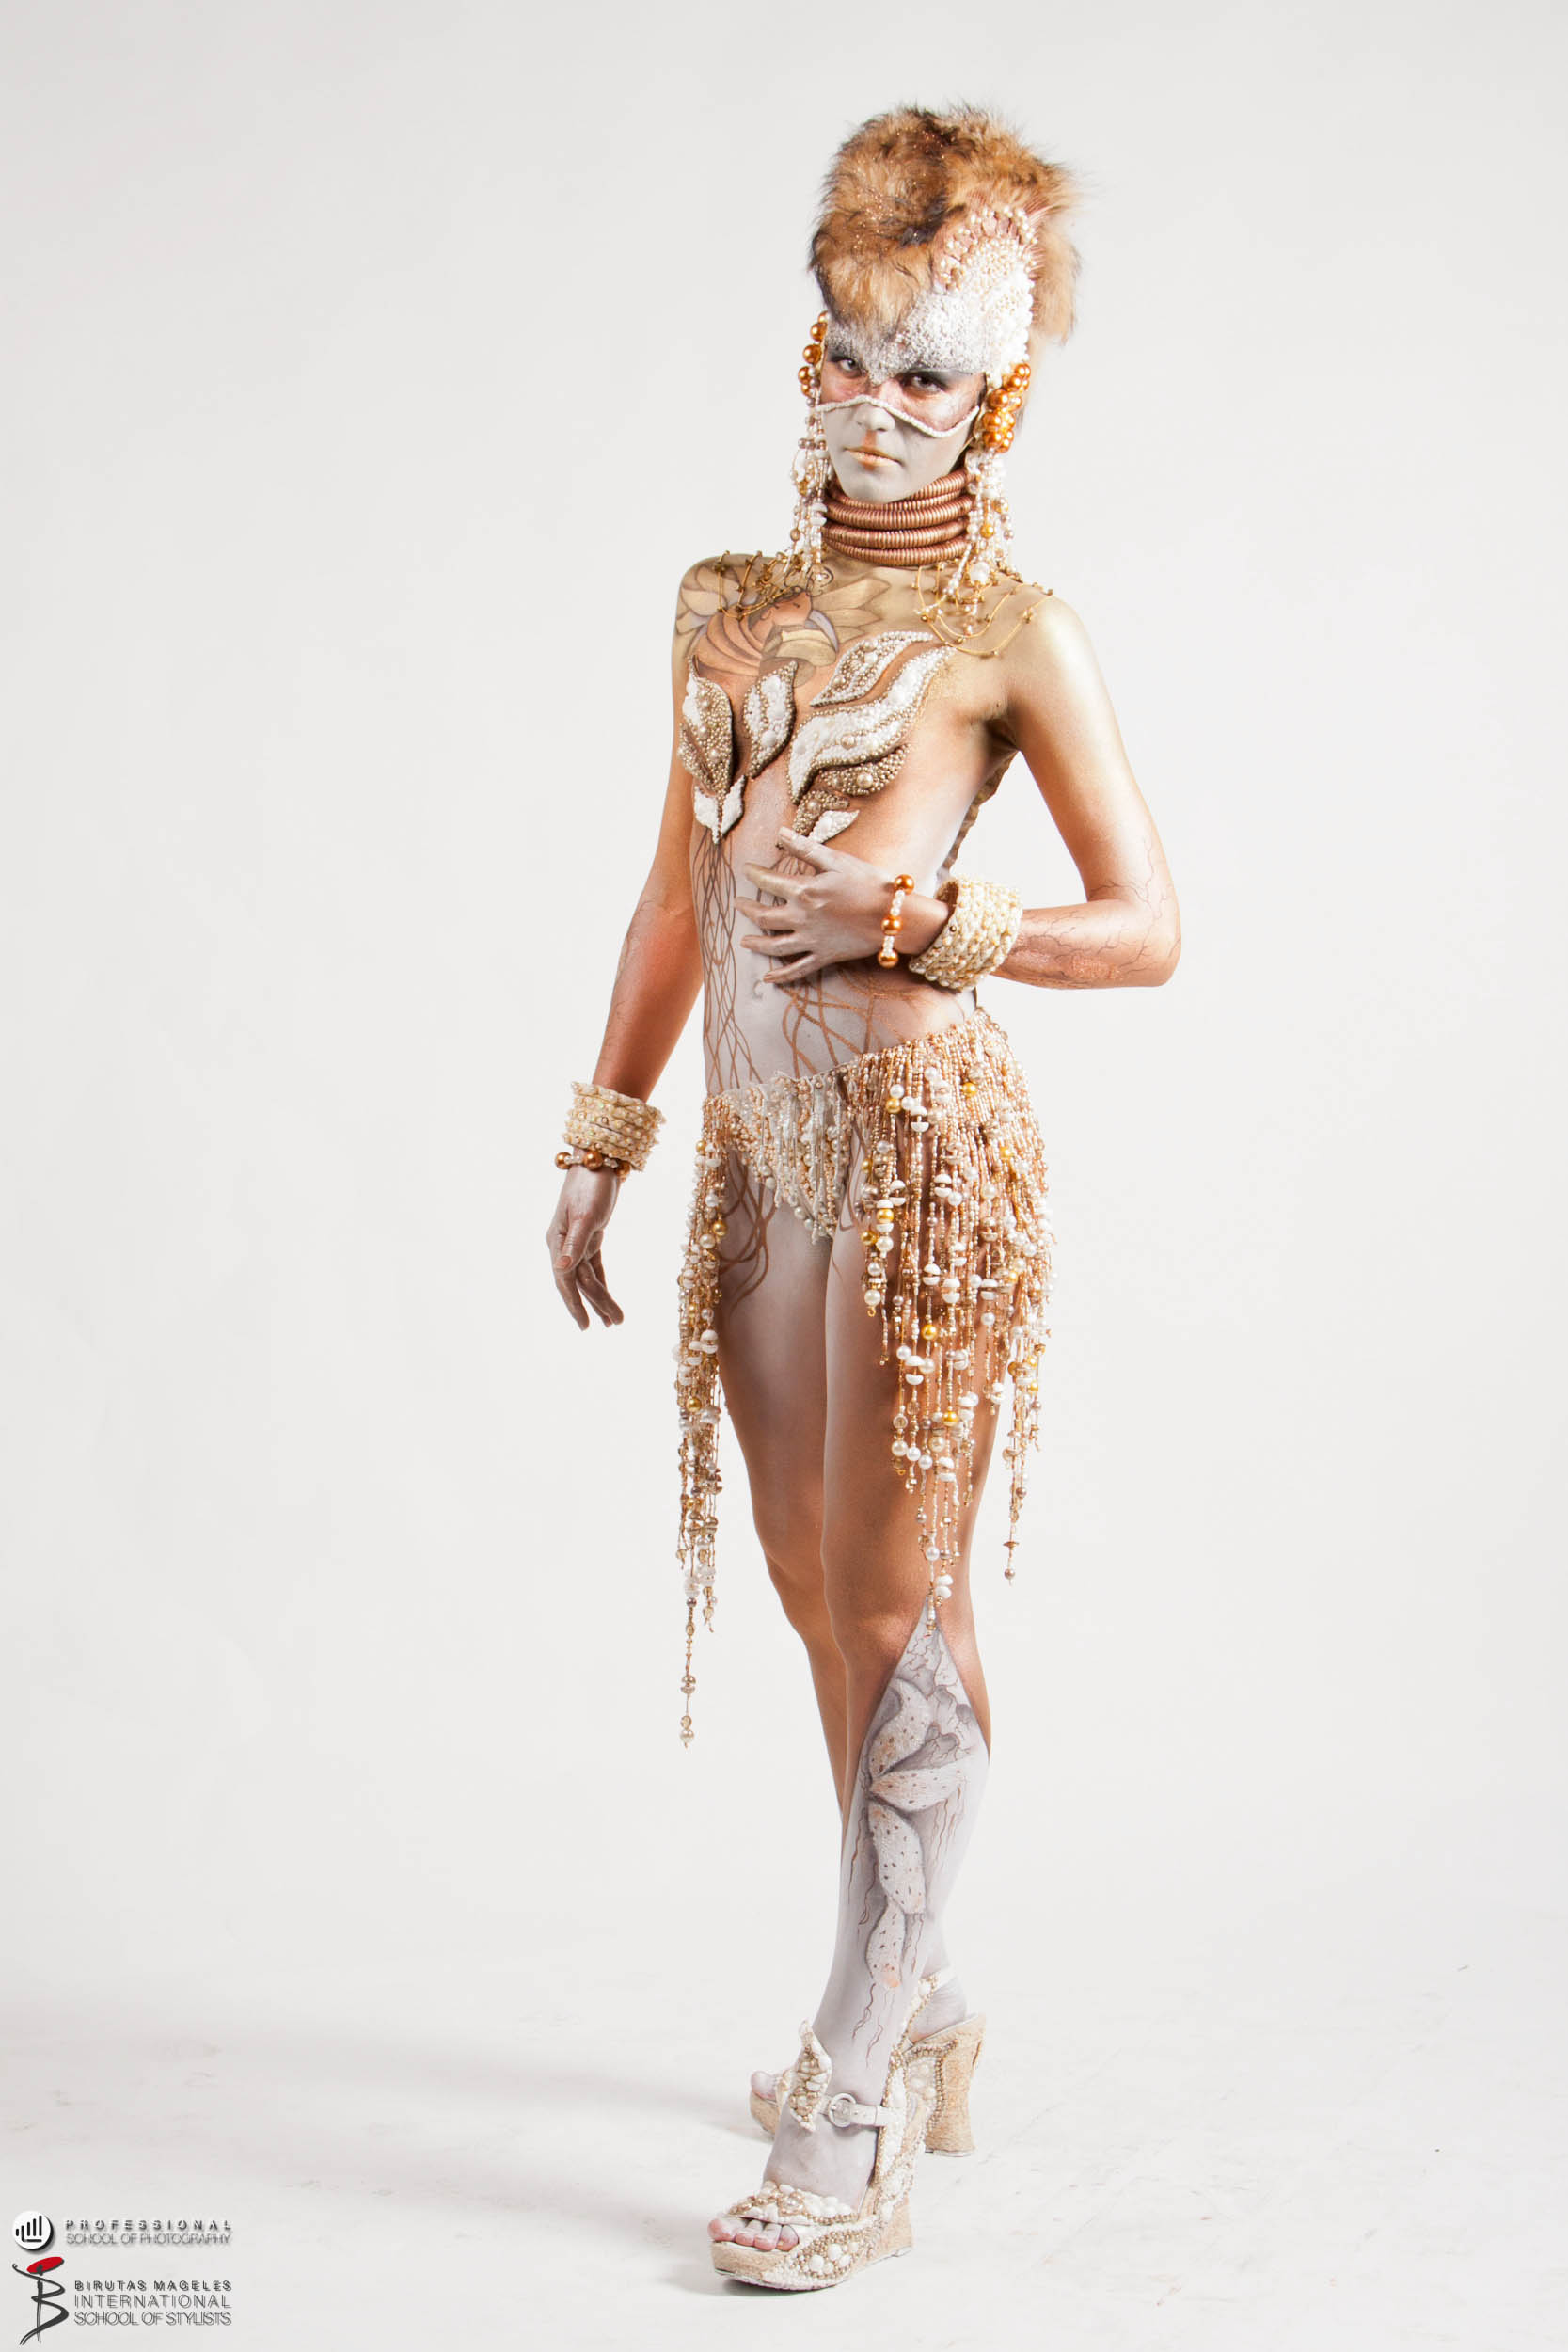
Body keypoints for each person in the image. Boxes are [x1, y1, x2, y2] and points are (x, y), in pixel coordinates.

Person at [546, 104, 1180, 2291]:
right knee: (820, 1589)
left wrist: (927, 918)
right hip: (758, 1157)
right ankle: (923, 1989)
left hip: (920, 1159)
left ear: (995, 396)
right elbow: (671, 896)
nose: (872, 402)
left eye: (926, 371)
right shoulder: (724, 610)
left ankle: (856, 2074)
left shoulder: (1016, 634)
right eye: (845, 350)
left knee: (902, 1593)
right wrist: (604, 1133)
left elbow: (1150, 922)